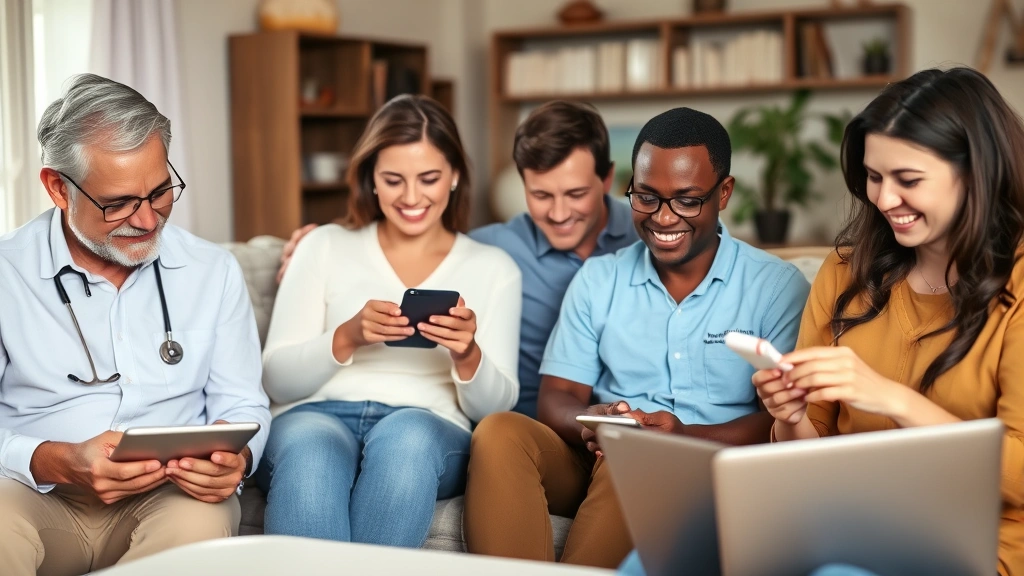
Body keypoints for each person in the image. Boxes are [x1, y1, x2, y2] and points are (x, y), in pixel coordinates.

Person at [463, 107, 811, 568]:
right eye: (646, 197)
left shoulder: (776, 286)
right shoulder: (598, 278)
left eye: (686, 200)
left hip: (711, 464)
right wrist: (600, 418)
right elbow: (558, 396)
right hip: (603, 454)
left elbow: (779, 418)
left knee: (636, 455)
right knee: (500, 431)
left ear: (723, 193)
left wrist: (680, 434)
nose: (663, 218)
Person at [751, 67, 1024, 576]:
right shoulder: (843, 273)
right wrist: (789, 417)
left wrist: (893, 400)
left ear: (977, 172)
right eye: (875, 177)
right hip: (851, 530)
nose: (884, 200)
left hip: (977, 553)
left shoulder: (1020, 284)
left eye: (909, 179)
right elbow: (810, 453)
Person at [0, 74, 271, 576]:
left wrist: (238, 461)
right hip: (32, 497)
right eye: (118, 203)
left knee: (199, 527)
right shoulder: (5, 272)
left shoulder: (213, 271)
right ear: (58, 187)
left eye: (161, 191)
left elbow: (243, 402)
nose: (148, 221)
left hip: (168, 500)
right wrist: (49, 459)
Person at [256, 95, 521, 547]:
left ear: (455, 175)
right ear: (371, 180)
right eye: (393, 179)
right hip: (316, 415)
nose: (412, 197)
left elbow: (495, 411)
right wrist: (347, 336)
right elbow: (276, 380)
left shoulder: (495, 268)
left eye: (429, 178)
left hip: (427, 422)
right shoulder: (323, 246)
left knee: (407, 440)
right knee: (309, 452)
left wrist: (467, 353)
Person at [278, 101, 639, 418]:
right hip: (531, 423)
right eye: (541, 195)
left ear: (607, 179)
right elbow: (430, 242)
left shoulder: (648, 242)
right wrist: (306, 249)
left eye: (576, 194)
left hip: (622, 413)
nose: (559, 213)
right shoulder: (496, 251)